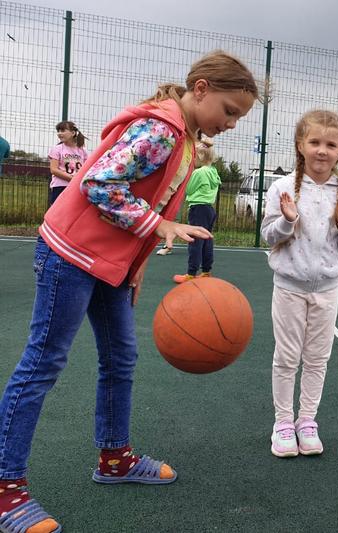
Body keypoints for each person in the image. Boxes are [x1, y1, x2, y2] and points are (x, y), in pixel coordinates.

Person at [0, 50, 258, 533]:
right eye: (229, 111)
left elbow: (148, 197)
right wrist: (159, 227)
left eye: (238, 117)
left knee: (120, 357)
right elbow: (99, 183)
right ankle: (5, 489)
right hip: (70, 253)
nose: (231, 124)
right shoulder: (161, 130)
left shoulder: (186, 139)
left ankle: (115, 459)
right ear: (201, 89)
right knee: (42, 363)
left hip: (108, 262)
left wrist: (134, 264)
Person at [261, 109, 338, 458]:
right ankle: (283, 424)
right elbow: (268, 236)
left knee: (317, 358)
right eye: (314, 142)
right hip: (289, 288)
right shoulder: (282, 189)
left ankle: (307, 421)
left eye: (331, 145)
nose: (322, 150)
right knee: (286, 357)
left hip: (327, 290)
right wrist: (287, 221)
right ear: (300, 145)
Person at [168, 139, 221, 280]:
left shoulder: (199, 173)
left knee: (195, 240)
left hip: (198, 209)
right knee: (207, 240)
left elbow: (189, 189)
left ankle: (191, 273)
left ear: (200, 157)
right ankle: (206, 271)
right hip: (209, 209)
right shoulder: (213, 172)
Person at [47, 121, 88, 205]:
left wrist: (78, 180)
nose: (59, 133)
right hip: (60, 186)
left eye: (63, 131)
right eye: (58, 131)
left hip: (77, 186)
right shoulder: (57, 149)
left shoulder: (83, 150)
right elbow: (54, 170)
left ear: (73, 133)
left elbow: (86, 168)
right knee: (58, 211)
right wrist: (72, 178)